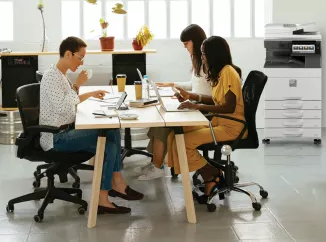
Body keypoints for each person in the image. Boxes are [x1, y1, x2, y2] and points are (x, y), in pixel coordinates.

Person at [39, 36, 143, 215]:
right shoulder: (51, 77)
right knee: (109, 132)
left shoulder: (60, 75)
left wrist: (91, 93)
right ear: (68, 54)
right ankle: (114, 186)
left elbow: (68, 101)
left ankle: (107, 194)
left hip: (66, 130)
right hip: (56, 137)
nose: (81, 62)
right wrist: (79, 84)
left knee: (110, 139)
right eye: (80, 57)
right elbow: (64, 107)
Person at [166, 36, 247, 197]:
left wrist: (197, 106)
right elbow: (218, 100)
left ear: (213, 54)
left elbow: (229, 107)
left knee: (184, 141)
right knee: (175, 134)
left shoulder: (228, 72)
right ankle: (210, 173)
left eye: (204, 53)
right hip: (219, 122)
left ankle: (212, 175)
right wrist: (191, 96)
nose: (202, 57)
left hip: (231, 127)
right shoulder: (220, 72)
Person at [134, 24, 212, 181]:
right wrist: (172, 85)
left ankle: (157, 167)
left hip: (203, 111)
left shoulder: (207, 63)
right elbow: (194, 84)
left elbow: (209, 94)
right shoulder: (198, 61)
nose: (185, 48)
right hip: (195, 105)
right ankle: (155, 163)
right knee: (158, 121)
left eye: (186, 43)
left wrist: (189, 96)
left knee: (163, 125)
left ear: (195, 42)